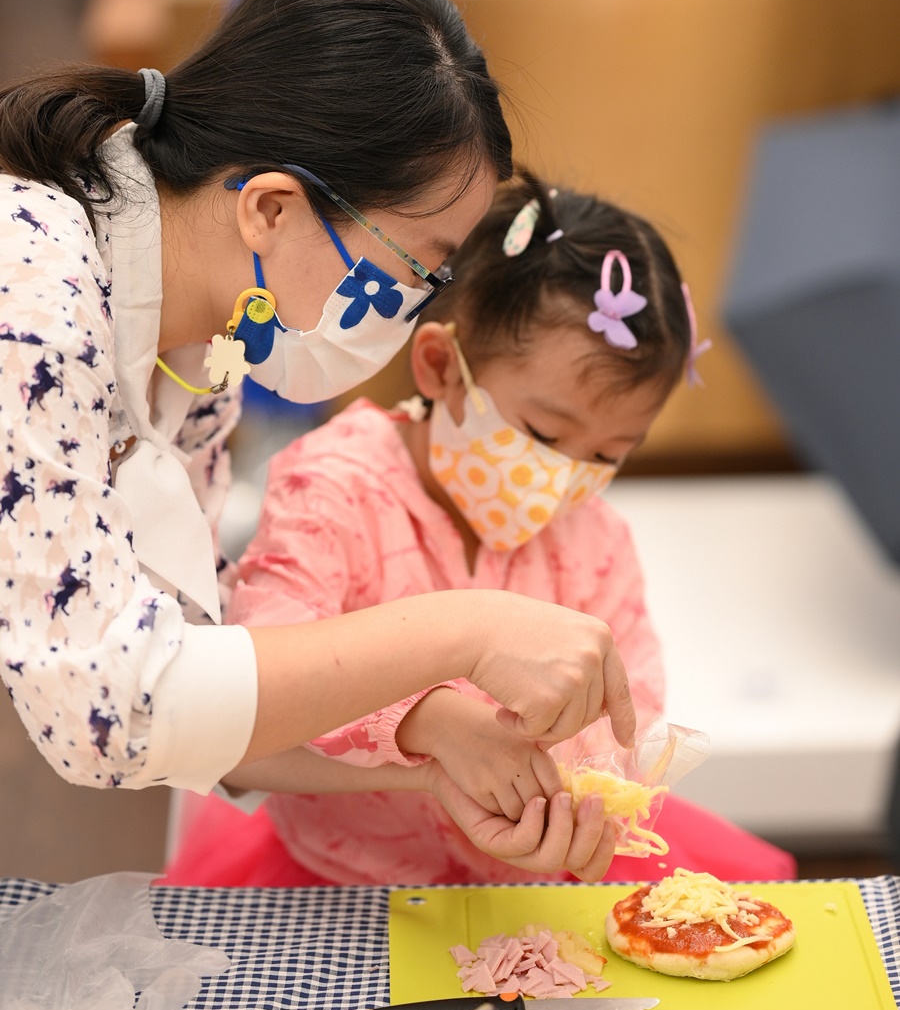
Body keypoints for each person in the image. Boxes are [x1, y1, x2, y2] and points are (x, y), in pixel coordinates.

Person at [0, 0, 635, 878]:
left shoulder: (213, 344)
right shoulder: (32, 292)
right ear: (271, 207)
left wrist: (433, 748)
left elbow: (196, 675)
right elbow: (112, 709)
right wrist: (467, 630)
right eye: (417, 265)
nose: (415, 306)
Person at [164, 176, 795, 887]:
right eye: (544, 434)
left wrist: (584, 802)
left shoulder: (597, 541)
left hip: (527, 883)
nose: (564, 477)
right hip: (347, 876)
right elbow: (268, 666)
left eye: (607, 454)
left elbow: (630, 705)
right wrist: (426, 721)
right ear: (441, 366)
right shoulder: (334, 488)